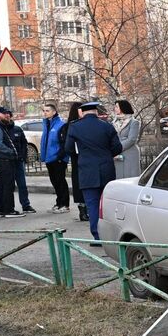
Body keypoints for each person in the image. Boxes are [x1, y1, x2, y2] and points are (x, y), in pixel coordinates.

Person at [67, 101, 123, 242]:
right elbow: (117, 147)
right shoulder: (106, 126)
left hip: (87, 170)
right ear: (96, 112)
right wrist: (106, 155)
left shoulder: (75, 127)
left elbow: (68, 148)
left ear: (83, 113)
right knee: (107, 203)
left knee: (92, 204)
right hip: (106, 168)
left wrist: (83, 155)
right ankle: (111, 235)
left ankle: (97, 236)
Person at [0, 105, 34, 217]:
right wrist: (11, 151)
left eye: (8, 113)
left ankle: (0, 210)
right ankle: (9, 210)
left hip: (5, 159)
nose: (7, 115)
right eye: (4, 113)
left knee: (2, 185)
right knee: (8, 185)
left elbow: (23, 143)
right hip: (4, 160)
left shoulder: (3, 127)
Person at [38, 100, 72, 211]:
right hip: (49, 159)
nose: (45, 113)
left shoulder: (61, 125)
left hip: (58, 159)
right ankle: (58, 203)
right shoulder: (47, 125)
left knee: (60, 181)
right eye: (44, 111)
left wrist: (60, 157)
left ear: (54, 112)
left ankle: (65, 204)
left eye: (47, 111)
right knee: (55, 182)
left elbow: (64, 143)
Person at [112, 98, 143, 179]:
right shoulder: (113, 122)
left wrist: (118, 147)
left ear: (123, 108)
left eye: (116, 107)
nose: (114, 109)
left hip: (130, 152)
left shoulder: (134, 122)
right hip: (117, 153)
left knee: (130, 178)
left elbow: (132, 139)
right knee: (118, 178)